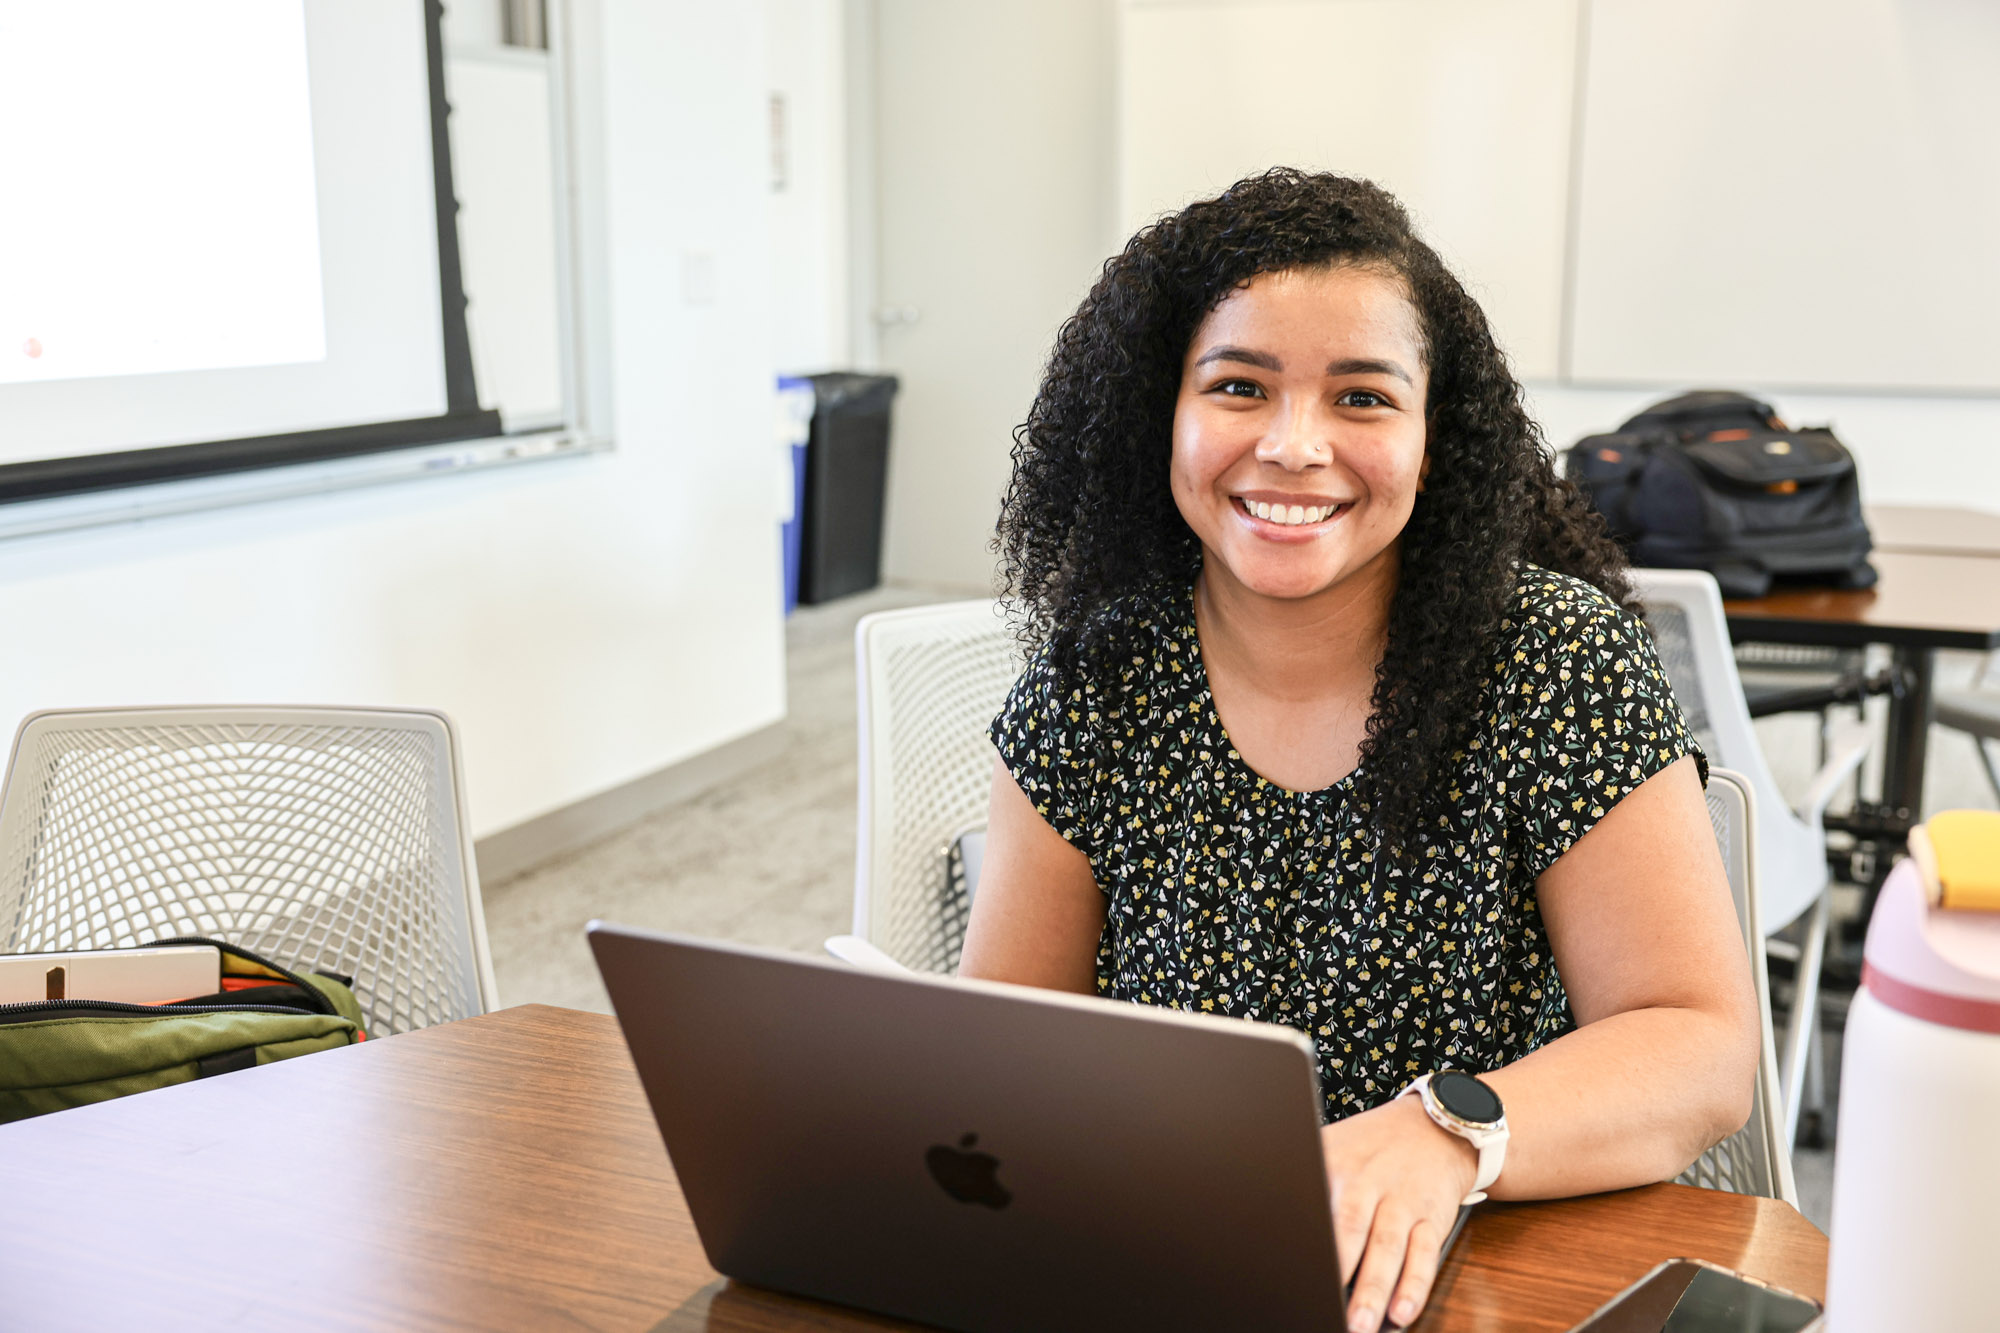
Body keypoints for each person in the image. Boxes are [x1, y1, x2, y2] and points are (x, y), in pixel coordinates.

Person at [958, 170, 1759, 1333]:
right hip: (1184, 1264)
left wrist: (1447, 1127)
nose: (1292, 447)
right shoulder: (1098, 677)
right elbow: (1002, 1051)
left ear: (1434, 439)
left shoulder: (1550, 660)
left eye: (1362, 398)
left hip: (1490, 1265)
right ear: (1158, 416)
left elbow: (1695, 1047)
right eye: (1238, 385)